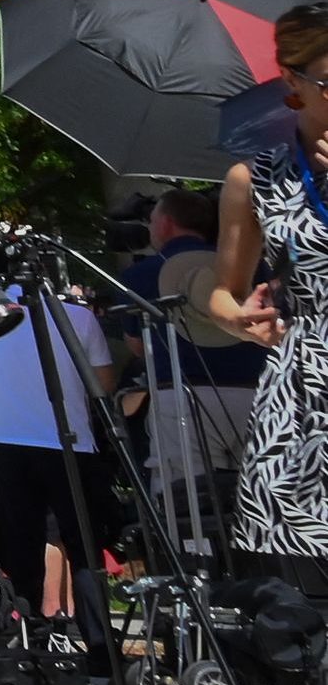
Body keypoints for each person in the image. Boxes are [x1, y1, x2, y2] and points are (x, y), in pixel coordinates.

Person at [209, 8, 328, 588]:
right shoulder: (255, 178)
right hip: (302, 395)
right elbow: (223, 293)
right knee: (297, 593)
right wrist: (239, 319)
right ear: (293, 82)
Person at [0, 282, 120, 659]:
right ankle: (99, 645)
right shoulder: (77, 317)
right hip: (70, 441)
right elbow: (104, 382)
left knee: (21, 543)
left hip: (8, 439)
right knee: (82, 546)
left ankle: (28, 637)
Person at [114, 188, 262, 527]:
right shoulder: (249, 264)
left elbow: (137, 346)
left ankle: (202, 571)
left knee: (188, 502)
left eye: (152, 221)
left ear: (165, 224)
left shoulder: (143, 274)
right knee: (256, 498)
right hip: (255, 393)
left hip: (183, 396)